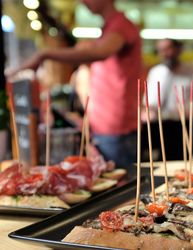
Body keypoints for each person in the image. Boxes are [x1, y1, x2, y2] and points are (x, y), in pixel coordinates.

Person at [6, 0, 142, 167]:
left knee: (122, 187)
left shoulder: (121, 25)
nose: (83, 1)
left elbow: (100, 53)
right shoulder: (108, 28)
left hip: (116, 127)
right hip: (105, 126)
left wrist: (45, 54)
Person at [145, 38, 193, 120]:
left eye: (168, 49)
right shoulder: (155, 72)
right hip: (157, 121)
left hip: (184, 121)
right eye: (161, 50)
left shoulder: (192, 73)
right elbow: (147, 101)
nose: (164, 54)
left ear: (179, 50)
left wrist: (191, 112)